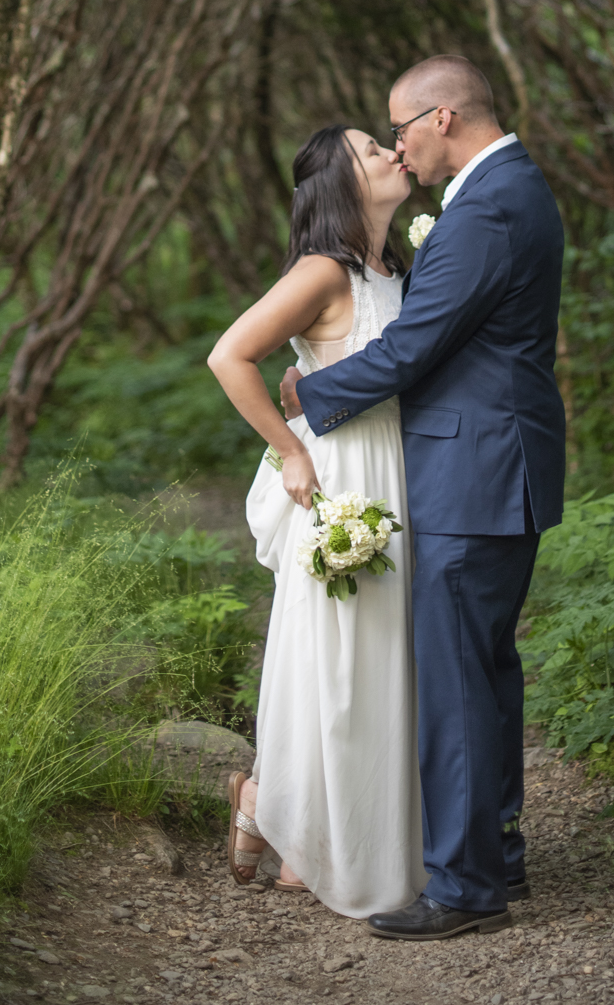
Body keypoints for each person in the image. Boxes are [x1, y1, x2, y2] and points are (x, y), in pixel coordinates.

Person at [283, 55, 566, 942]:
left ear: (440, 118)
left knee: (455, 682)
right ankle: (496, 851)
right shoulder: (509, 189)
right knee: (483, 672)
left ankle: (464, 886)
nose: (399, 147)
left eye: (400, 127)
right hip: (487, 466)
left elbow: (415, 348)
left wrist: (308, 396)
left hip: (472, 473)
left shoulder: (487, 206)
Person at [206, 124, 422, 917]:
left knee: (379, 664)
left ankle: (296, 825)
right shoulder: (321, 271)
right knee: (337, 663)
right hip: (342, 478)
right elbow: (230, 355)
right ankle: (284, 811)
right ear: (339, 182)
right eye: (372, 150)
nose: (391, 154)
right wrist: (289, 451)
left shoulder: (394, 267)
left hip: (398, 471)